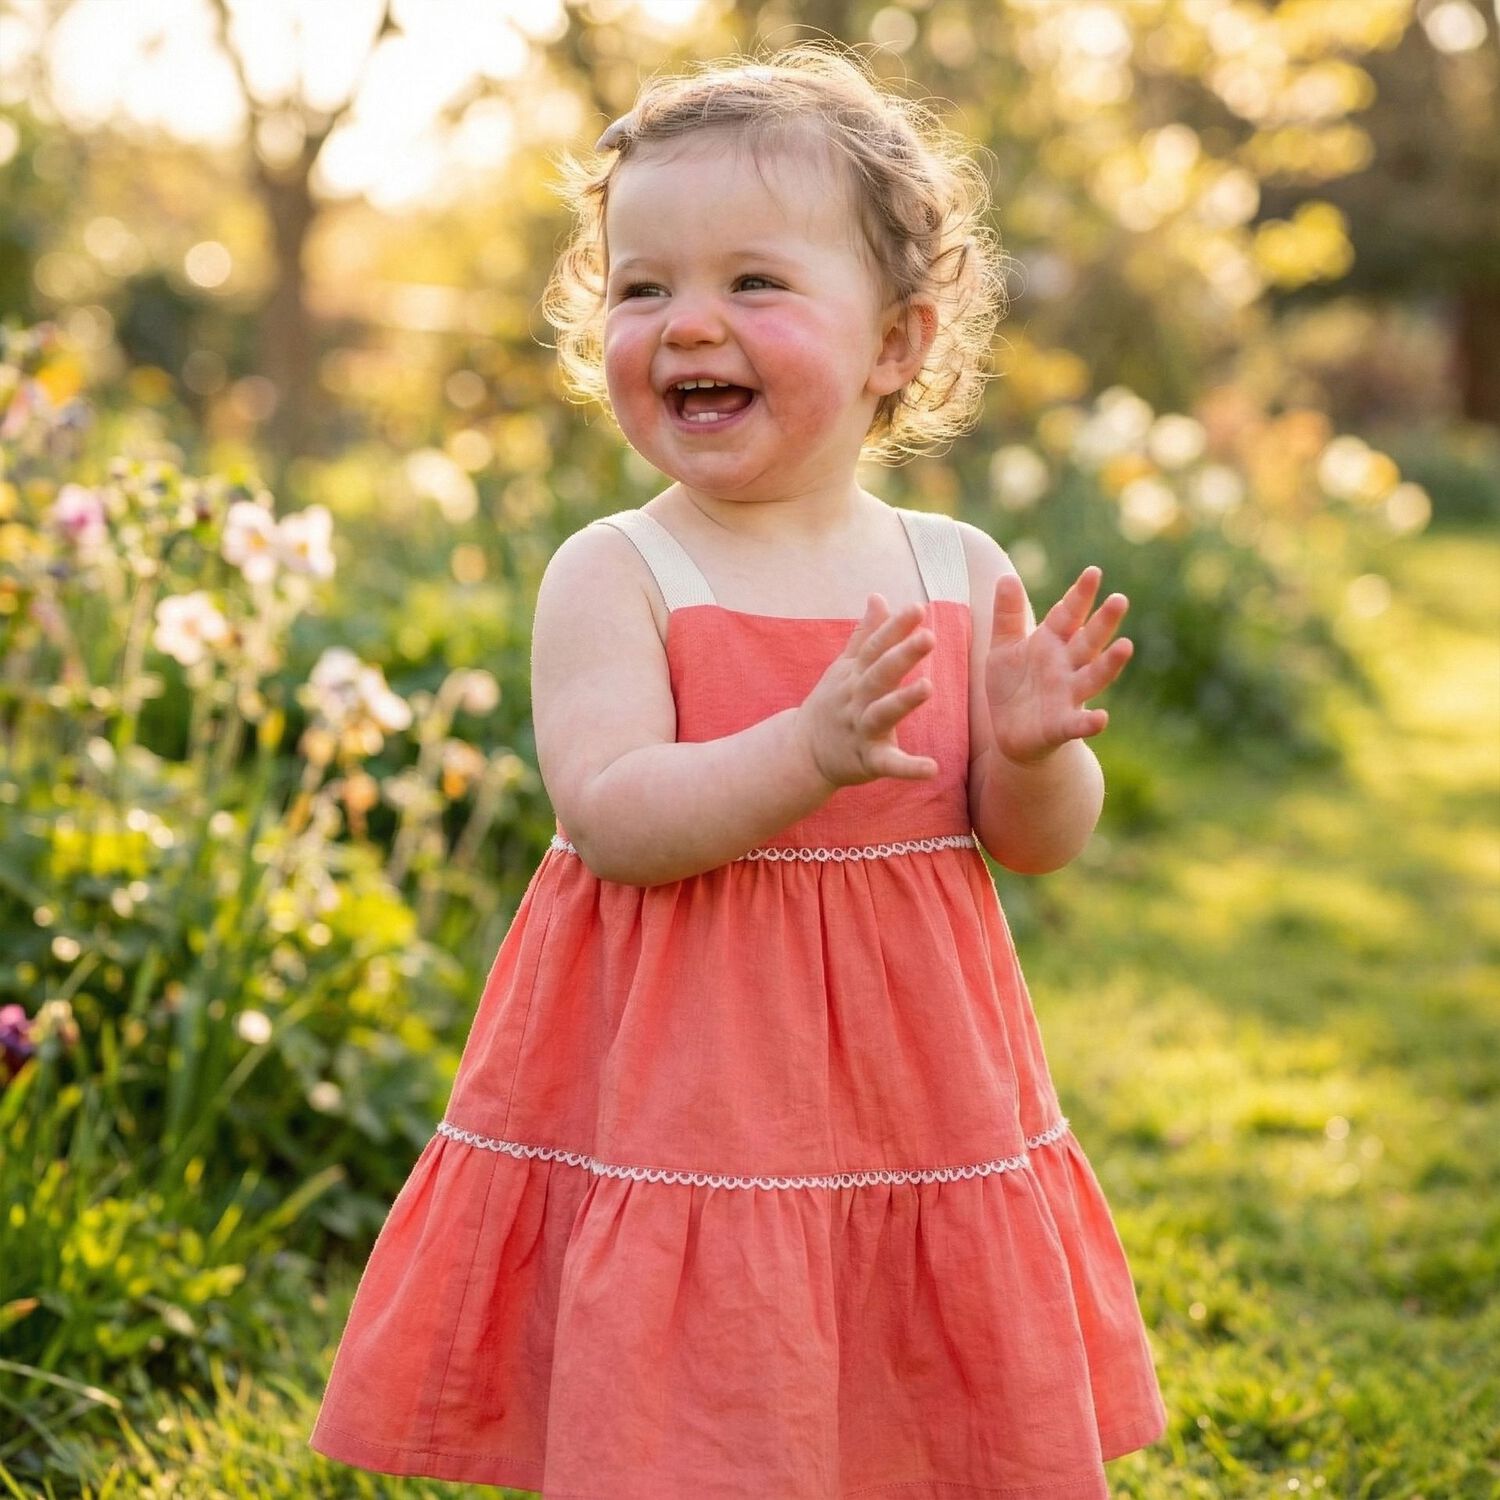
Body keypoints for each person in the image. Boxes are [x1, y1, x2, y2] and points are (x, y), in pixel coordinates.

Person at [309, 43, 1168, 1499]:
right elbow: (614, 815)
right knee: (710, 1390)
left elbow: (1031, 845)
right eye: (643, 287)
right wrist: (803, 750)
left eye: (754, 284)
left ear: (897, 341)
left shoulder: (953, 570)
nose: (687, 321)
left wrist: (1029, 753)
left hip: (915, 1089)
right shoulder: (621, 572)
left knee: (898, 1363)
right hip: (689, 1088)